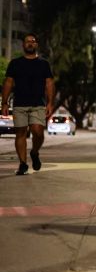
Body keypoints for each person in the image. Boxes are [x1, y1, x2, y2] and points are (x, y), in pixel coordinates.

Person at [1, 33, 55, 175]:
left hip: (38, 104)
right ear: (23, 45)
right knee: (21, 134)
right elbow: (8, 82)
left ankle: (35, 152)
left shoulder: (43, 64)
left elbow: (49, 83)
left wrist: (50, 103)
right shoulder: (15, 63)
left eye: (33, 41)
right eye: (27, 42)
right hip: (19, 104)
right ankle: (23, 164)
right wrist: (4, 103)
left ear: (36, 45)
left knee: (38, 132)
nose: (30, 43)